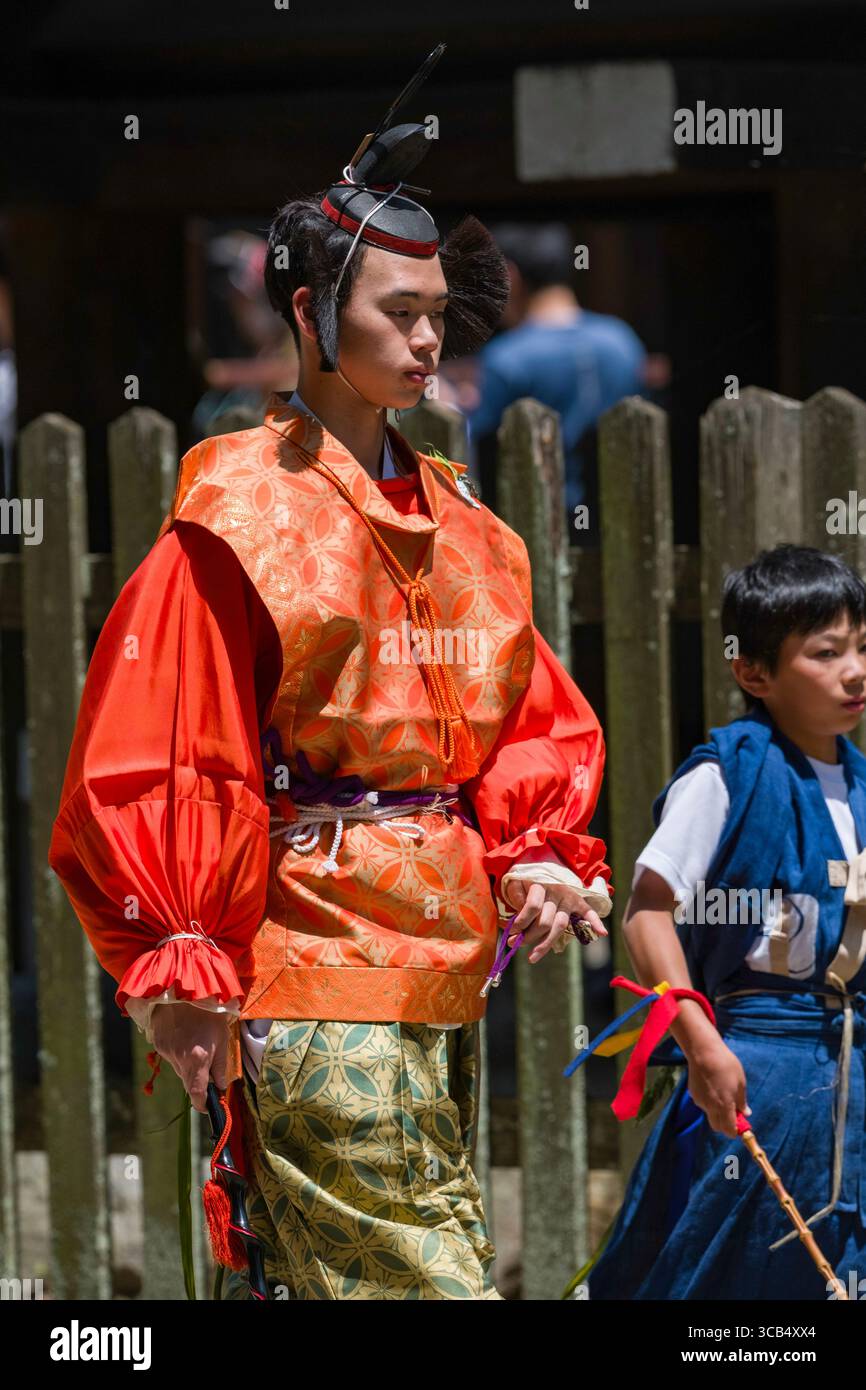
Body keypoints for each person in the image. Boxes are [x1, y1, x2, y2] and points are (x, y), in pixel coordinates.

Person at [48, 48, 613, 1301]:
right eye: (393, 312)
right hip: (310, 974)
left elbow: (521, 707)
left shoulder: (470, 525)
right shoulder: (238, 513)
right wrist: (182, 949)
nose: (427, 338)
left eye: (435, 311)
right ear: (308, 314)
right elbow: (168, 735)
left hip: (448, 975)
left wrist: (533, 843)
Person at [588, 543, 866, 1300]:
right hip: (752, 1074)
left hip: (851, 1072)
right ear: (754, 673)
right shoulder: (727, 773)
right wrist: (698, 1038)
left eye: (862, 646)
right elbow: (647, 912)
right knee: (721, 1288)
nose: (855, 670)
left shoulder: (865, 785)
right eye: (826, 651)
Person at [458, 222, 648, 527]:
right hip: (619, 521)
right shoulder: (623, 341)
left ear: (511, 275)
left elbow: (473, 455)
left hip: (537, 524)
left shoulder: (508, 358)